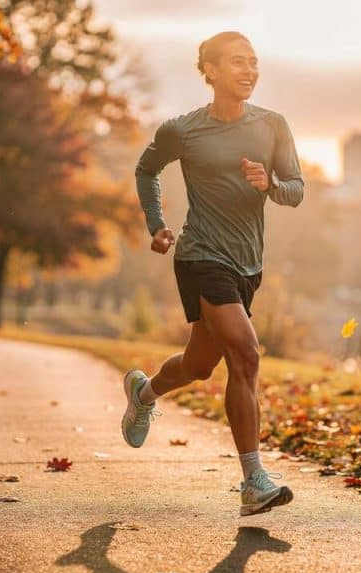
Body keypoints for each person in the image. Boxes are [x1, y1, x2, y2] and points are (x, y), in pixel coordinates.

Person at [123, 31, 304, 517]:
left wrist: (271, 184)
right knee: (245, 353)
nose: (249, 71)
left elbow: (297, 189)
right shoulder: (184, 130)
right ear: (211, 71)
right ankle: (253, 481)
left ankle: (144, 392)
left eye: (254, 62)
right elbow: (147, 170)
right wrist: (158, 225)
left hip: (249, 264)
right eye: (237, 62)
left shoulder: (272, 126)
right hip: (200, 256)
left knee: (198, 366)